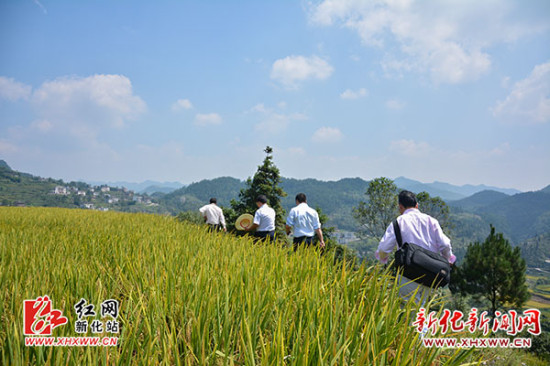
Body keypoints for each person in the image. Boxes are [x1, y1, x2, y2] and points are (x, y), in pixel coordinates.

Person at [376, 190, 456, 306]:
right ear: (417, 205)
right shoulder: (432, 221)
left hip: (408, 276)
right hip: (430, 276)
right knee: (422, 311)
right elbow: (445, 244)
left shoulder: (399, 222)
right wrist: (450, 260)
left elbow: (383, 249)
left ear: (400, 207)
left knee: (410, 315)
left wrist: (382, 261)